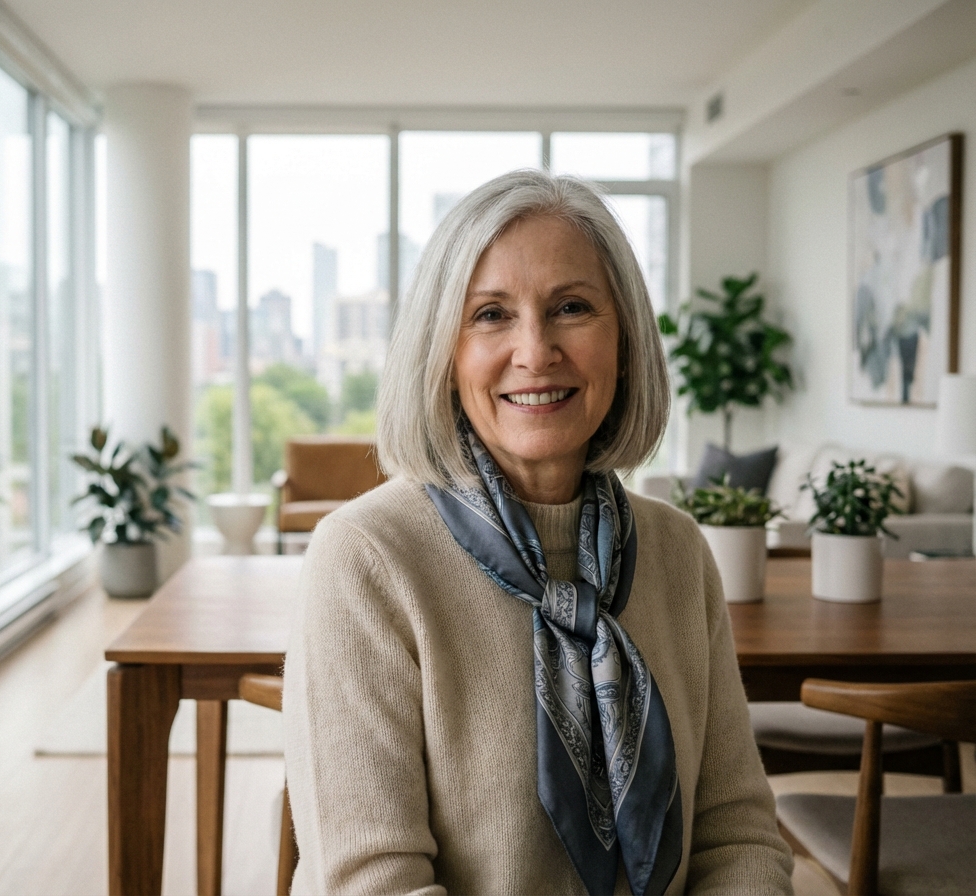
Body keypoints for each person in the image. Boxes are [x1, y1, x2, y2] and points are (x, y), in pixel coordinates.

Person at [283, 170, 793, 895]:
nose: (536, 350)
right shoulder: (366, 560)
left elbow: (737, 837)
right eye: (491, 314)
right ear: (444, 352)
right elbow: (372, 882)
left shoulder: (678, 551)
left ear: (624, 340)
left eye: (573, 307)